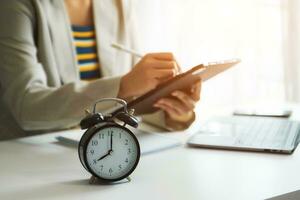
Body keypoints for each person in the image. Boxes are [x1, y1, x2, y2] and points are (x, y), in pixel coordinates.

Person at [0, 0, 201, 140]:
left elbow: (128, 104)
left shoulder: (120, 3)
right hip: (29, 159)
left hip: (108, 149)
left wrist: (171, 112)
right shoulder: (14, 5)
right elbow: (26, 107)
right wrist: (123, 86)